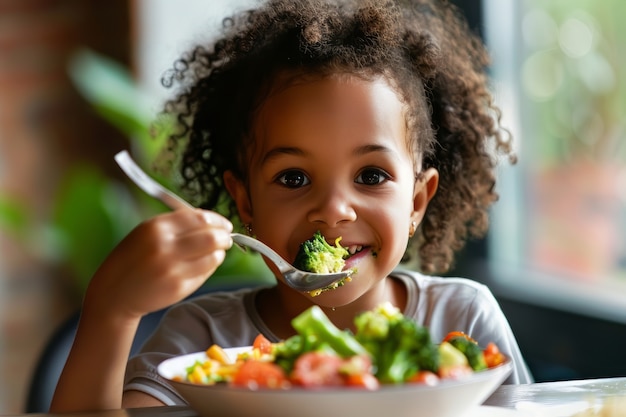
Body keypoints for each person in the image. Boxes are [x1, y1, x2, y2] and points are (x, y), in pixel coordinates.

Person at [51, 0, 533, 412]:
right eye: (293, 178)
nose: (333, 210)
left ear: (417, 200)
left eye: (371, 176)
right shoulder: (200, 338)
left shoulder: (463, 320)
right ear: (245, 202)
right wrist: (111, 311)